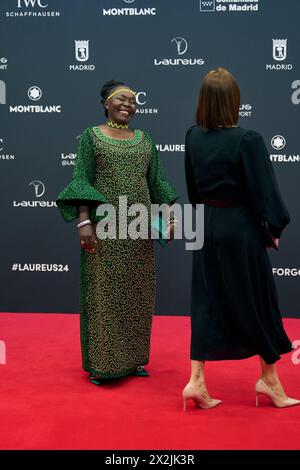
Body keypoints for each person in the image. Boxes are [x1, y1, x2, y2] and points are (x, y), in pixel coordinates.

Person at [183, 68, 299, 410]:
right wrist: (274, 230)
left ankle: (196, 381)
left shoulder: (192, 137)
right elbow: (266, 193)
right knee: (258, 300)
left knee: (205, 302)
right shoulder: (248, 140)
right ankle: (271, 381)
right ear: (235, 102)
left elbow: (193, 191)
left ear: (203, 102)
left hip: (203, 226)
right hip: (239, 228)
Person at [56, 80, 178, 385]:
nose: (128, 105)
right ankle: (104, 364)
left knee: (137, 293)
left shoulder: (145, 140)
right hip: (104, 228)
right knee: (104, 296)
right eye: (122, 99)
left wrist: (168, 218)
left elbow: (157, 183)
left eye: (133, 101)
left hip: (138, 230)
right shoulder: (91, 137)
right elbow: (82, 179)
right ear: (106, 103)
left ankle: (134, 359)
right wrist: (84, 222)